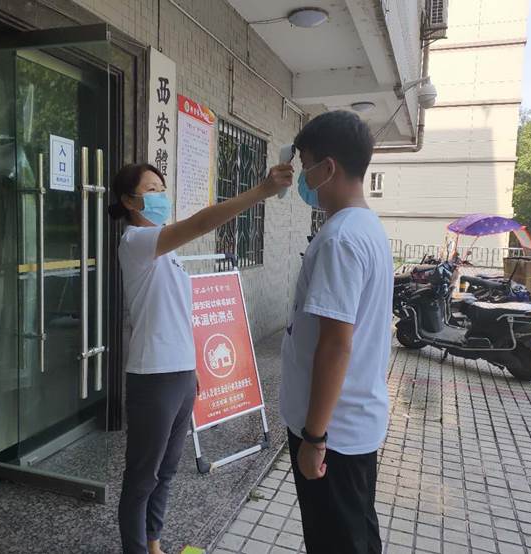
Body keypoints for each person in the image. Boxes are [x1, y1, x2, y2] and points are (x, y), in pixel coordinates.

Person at [109, 162, 292, 554]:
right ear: (128, 201)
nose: (161, 196)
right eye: (151, 189)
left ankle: (154, 544)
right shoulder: (136, 242)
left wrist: (191, 369)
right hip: (152, 377)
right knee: (142, 478)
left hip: (180, 376)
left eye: (162, 187)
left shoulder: (167, 252)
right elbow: (202, 222)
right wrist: (260, 191)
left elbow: (178, 315)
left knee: (167, 471)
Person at [280, 110, 393, 554]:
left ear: (327, 167)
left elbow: (335, 345)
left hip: (334, 435)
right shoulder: (366, 226)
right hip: (351, 424)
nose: (303, 177)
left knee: (336, 542)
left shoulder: (339, 239)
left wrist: (314, 438)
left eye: (306, 165)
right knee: (356, 535)